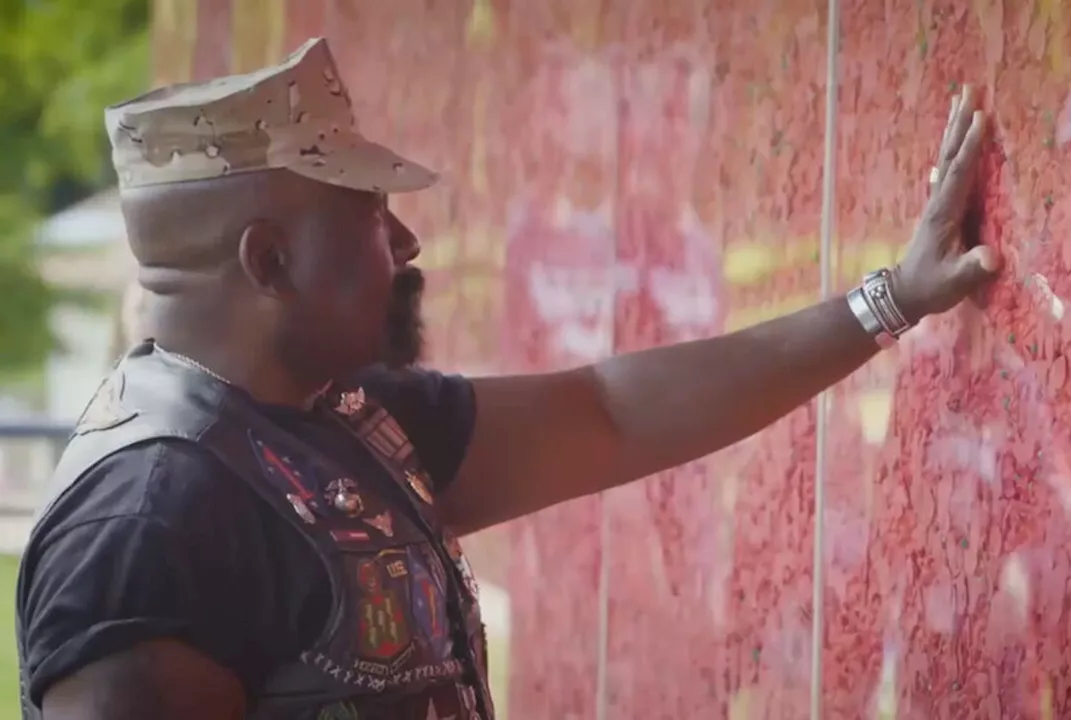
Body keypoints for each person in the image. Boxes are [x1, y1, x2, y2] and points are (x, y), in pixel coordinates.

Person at [15, 37, 999, 720]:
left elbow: (610, 412)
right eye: (366, 217)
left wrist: (892, 298)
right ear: (268, 261)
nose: (405, 243)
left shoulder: (351, 423)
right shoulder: (147, 529)